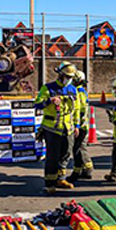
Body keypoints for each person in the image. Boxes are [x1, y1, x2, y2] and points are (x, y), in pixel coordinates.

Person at [34, 62, 78, 195]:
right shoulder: (48, 88)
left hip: (68, 129)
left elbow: (75, 110)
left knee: (66, 154)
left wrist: (76, 125)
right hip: (52, 129)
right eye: (66, 77)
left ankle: (61, 179)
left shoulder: (72, 89)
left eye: (70, 77)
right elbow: (37, 105)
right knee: (52, 157)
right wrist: (50, 101)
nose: (68, 80)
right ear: (60, 75)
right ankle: (50, 183)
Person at [68, 70, 93, 182]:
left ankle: (80, 170)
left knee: (77, 149)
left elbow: (81, 109)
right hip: (81, 125)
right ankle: (86, 168)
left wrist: (76, 123)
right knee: (80, 147)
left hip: (80, 126)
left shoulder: (79, 92)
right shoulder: (80, 91)